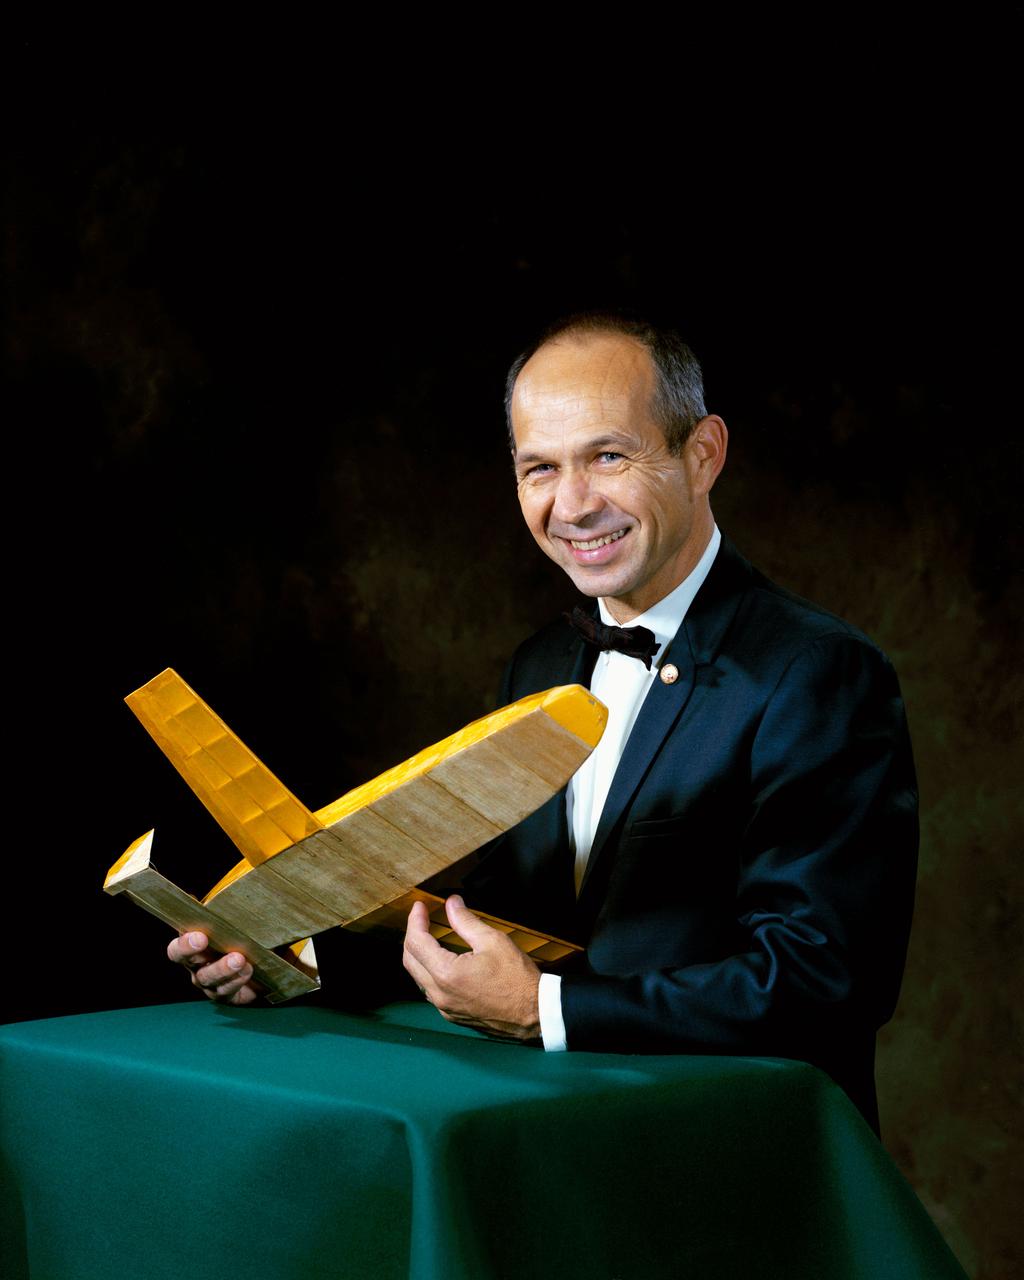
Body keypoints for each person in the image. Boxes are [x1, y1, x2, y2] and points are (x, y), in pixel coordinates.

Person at [170, 313, 918, 1130]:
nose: (573, 504)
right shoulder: (541, 665)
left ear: (702, 455)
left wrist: (548, 1010)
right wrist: (288, 955)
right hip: (555, 1143)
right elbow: (499, 917)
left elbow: (824, 982)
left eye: (607, 456)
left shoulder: (819, 672)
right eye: (539, 468)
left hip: (739, 1159)